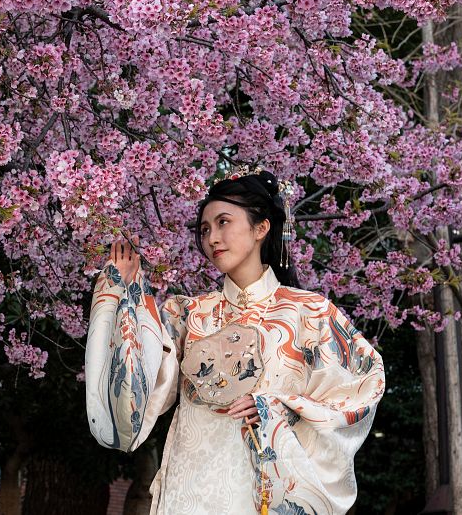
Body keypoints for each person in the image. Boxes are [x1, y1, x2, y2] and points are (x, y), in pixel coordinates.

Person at [85, 168, 385, 514]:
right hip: (192, 488)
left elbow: (364, 388)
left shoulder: (310, 313)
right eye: (205, 229)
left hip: (264, 490)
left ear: (261, 228)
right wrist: (122, 294)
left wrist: (281, 407)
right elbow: (140, 380)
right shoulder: (189, 315)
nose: (212, 237)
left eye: (223, 222)